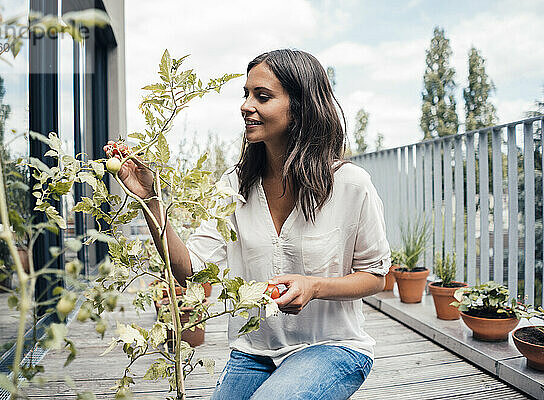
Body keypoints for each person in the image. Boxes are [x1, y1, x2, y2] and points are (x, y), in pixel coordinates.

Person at [119, 49, 391, 400]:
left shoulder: (351, 185)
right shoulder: (234, 185)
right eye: (246, 95)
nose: (246, 105)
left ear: (301, 107)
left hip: (333, 347)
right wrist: (150, 199)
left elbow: (376, 276)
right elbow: (190, 270)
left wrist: (315, 286)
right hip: (254, 351)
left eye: (262, 96)